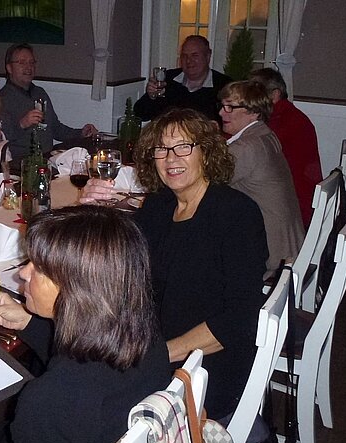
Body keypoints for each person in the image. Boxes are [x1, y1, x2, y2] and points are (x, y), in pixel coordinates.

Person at [80, 108, 268, 420]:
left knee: (85, 402)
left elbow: (240, 319)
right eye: (162, 149)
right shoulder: (159, 204)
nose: (171, 159)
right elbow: (119, 256)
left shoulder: (237, 215)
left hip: (203, 369)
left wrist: (157, 357)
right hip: (156, 344)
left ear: (206, 152)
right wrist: (91, 209)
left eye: (183, 147)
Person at [0, 205, 170, 443]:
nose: (23, 273)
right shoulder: (148, 340)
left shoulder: (48, 401)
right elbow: (89, 361)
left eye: (38, 268)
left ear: (77, 290)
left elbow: (63, 399)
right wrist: (27, 322)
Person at [219, 80, 305, 278]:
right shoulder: (265, 135)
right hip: (289, 244)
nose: (222, 113)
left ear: (254, 112)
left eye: (230, 107)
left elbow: (200, 185)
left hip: (272, 255)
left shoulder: (247, 147)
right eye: (222, 106)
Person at [250, 68, 323, 228]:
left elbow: (255, 149)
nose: (250, 100)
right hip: (295, 197)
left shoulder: (283, 121)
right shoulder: (286, 115)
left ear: (274, 95)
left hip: (293, 208)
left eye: (256, 94)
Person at [0, 43, 98, 160]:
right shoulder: (1, 99)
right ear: (9, 68)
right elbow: (0, 140)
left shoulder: (39, 92)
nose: (28, 67)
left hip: (47, 158)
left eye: (32, 62)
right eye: (22, 62)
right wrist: (22, 124)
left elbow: (55, 128)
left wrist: (81, 133)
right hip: (20, 163)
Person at [134, 35, 232, 123]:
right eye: (184, 56)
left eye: (195, 55)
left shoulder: (224, 85)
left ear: (208, 56)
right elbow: (140, 114)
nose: (188, 61)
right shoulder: (167, 79)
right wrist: (151, 97)